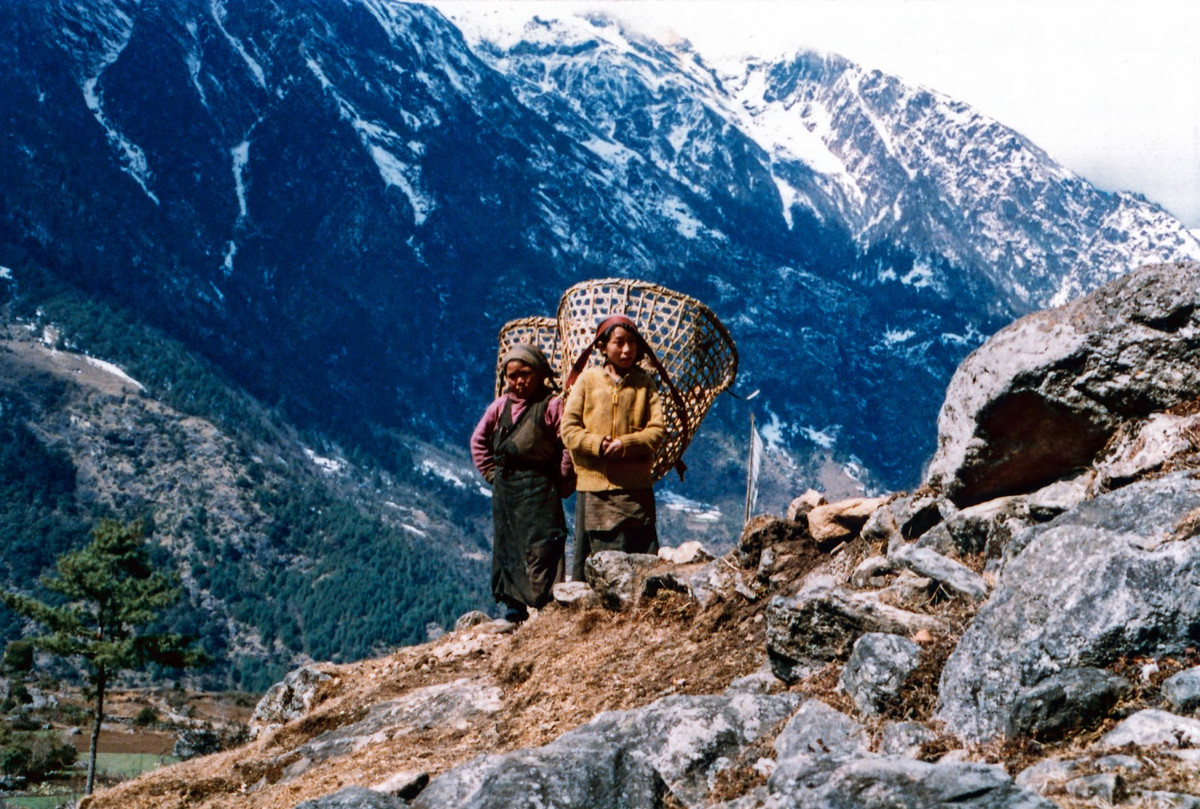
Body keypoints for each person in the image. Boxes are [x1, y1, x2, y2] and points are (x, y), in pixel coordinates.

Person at [470, 344, 572, 623]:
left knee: (543, 544)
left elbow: (568, 445)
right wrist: (491, 474)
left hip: (540, 488)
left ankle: (546, 604)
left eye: (525, 373)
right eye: (512, 376)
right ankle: (513, 606)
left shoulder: (551, 405)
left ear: (539, 373)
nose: (519, 381)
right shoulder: (500, 406)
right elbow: (478, 441)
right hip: (506, 491)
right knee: (508, 544)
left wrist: (563, 480)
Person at [561, 315, 666, 581]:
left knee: (641, 563)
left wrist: (625, 444)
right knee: (596, 564)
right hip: (595, 489)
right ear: (602, 346)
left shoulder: (645, 384)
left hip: (635, 489)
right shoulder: (587, 382)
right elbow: (569, 430)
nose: (627, 350)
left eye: (632, 343)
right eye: (619, 343)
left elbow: (657, 431)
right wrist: (597, 444)